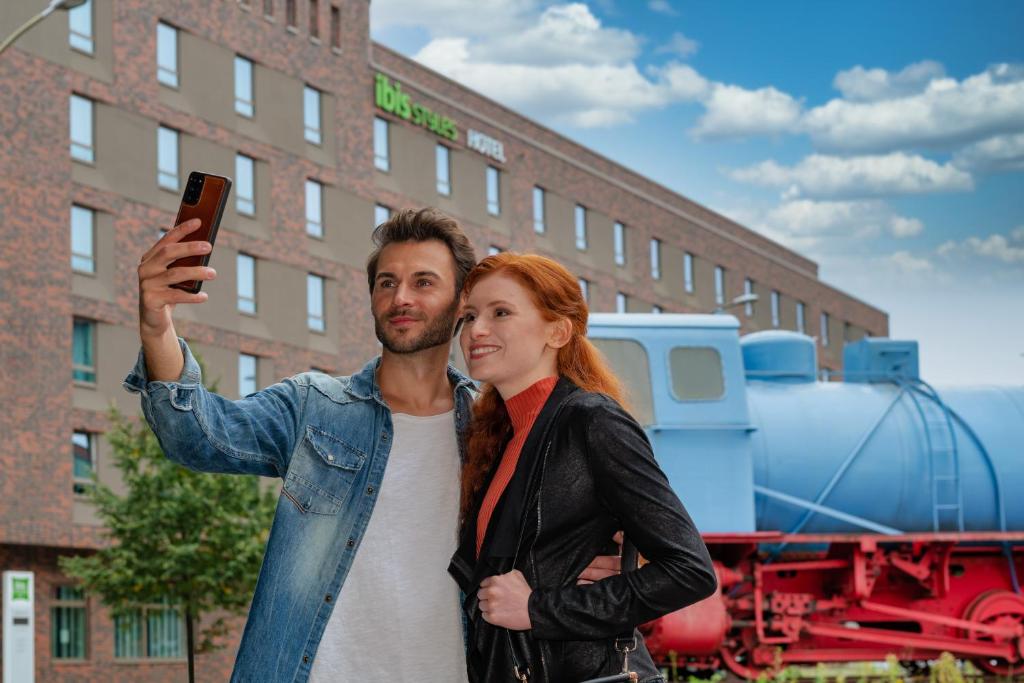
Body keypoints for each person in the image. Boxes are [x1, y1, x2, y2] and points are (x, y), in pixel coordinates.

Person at [123, 208, 620, 682]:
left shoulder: (502, 427)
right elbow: (195, 436)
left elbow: (586, 529)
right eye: (387, 282)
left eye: (424, 282)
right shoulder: (314, 406)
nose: (401, 297)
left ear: (461, 304)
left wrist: (598, 559)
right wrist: (156, 323)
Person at [449, 252, 718, 683]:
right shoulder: (500, 437)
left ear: (557, 331)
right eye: (469, 316)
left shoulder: (592, 421)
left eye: (501, 312)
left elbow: (690, 572)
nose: (475, 330)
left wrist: (538, 609)